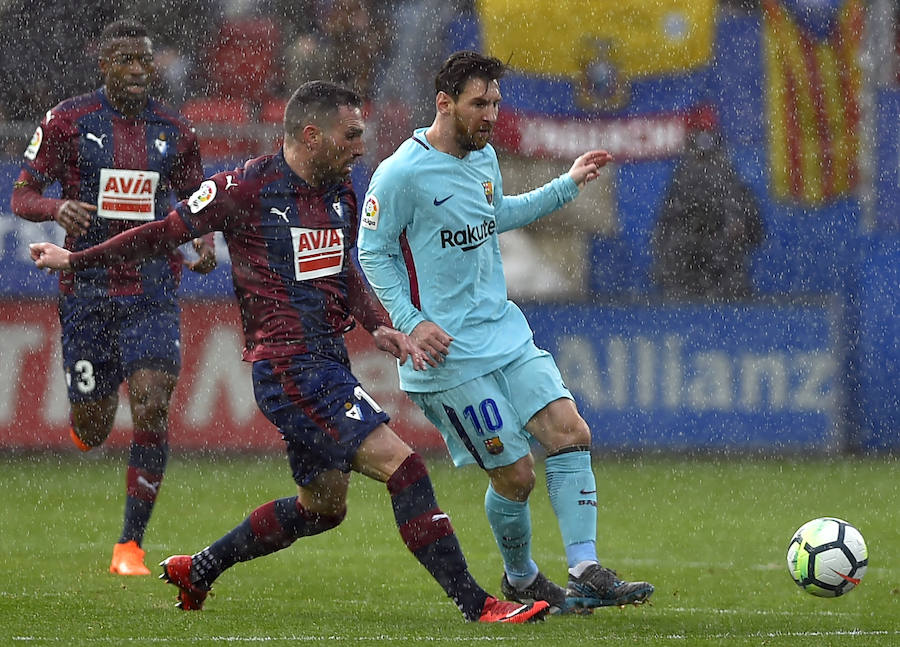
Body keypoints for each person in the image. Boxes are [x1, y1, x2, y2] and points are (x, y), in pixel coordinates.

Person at [29, 81, 550, 624]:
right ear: (311, 134)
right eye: (350, 135)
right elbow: (160, 234)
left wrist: (378, 326)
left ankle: (200, 568)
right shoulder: (244, 187)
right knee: (406, 468)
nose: (359, 147)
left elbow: (343, 269)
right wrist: (76, 260)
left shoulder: (342, 190)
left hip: (326, 360)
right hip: (287, 367)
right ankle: (479, 604)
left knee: (322, 508)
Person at [356, 51, 654, 613]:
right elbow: (371, 249)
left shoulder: (484, 156)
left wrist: (566, 184)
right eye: (479, 103)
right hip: (449, 359)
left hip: (504, 333)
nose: (491, 114)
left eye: (496, 102)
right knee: (517, 477)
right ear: (444, 104)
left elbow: (497, 214)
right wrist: (412, 322)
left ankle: (586, 569)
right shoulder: (401, 172)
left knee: (570, 432)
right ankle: (520, 579)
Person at [11, 19, 217, 577]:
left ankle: (130, 546)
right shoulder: (68, 121)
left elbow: (198, 199)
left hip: (152, 291)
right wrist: (57, 209)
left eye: (142, 61)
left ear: (153, 67)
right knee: (95, 425)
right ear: (103, 64)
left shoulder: (174, 130)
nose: (134, 70)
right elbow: (23, 193)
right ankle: (87, 425)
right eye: (123, 60)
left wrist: (201, 239)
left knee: (151, 403)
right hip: (87, 293)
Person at [651, 122, 764, 301]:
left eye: (709, 157)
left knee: (728, 274)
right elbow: (665, 227)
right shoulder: (681, 183)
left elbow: (751, 227)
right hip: (687, 260)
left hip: (721, 261)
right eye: (699, 157)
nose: (704, 167)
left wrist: (737, 225)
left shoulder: (731, 185)